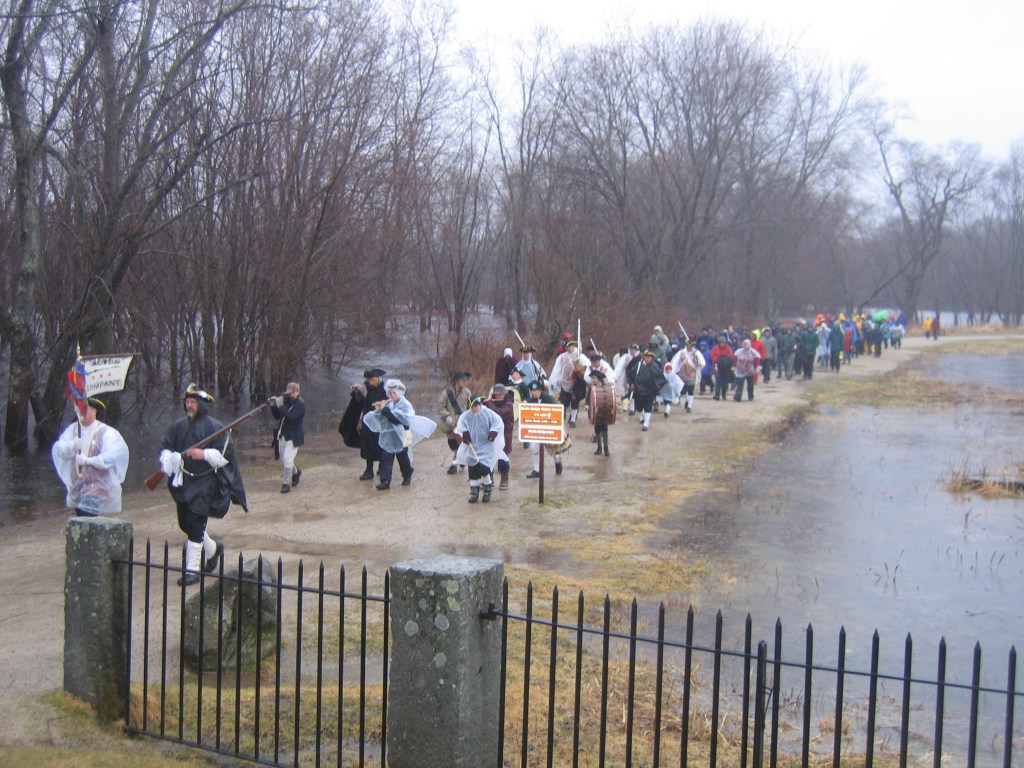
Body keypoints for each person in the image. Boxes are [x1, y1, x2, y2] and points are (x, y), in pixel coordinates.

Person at [159, 385, 247, 586]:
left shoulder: (215, 427)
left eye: (193, 402)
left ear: (201, 405)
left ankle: (192, 570)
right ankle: (213, 550)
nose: (189, 405)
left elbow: (226, 454)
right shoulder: (178, 426)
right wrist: (171, 459)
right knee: (185, 523)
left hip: (205, 483)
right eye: (187, 402)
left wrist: (204, 454)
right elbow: (165, 448)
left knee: (195, 523)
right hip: (183, 482)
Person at [51, 396, 129, 516]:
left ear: (94, 411)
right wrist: (72, 447)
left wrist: (88, 461)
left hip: (98, 484)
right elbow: (59, 450)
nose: (81, 412)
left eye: (85, 409)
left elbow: (112, 456)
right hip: (77, 486)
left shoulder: (106, 432)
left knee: (88, 515)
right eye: (79, 409)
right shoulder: (72, 430)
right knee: (81, 517)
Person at [362, 379, 420, 490]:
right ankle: (385, 480)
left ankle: (407, 475)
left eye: (394, 393)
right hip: (389, 436)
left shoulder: (405, 405)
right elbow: (382, 419)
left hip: (402, 436)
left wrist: (384, 410)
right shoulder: (389, 403)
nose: (392, 395)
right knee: (386, 458)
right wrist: (378, 410)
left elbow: (398, 419)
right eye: (390, 393)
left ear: (400, 392)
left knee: (403, 458)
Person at [455, 395, 507, 503]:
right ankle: (474, 492)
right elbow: (462, 423)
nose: (474, 409)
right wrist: (465, 433)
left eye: (476, 406)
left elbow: (497, 422)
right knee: (473, 470)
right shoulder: (467, 415)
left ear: (480, 405)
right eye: (472, 407)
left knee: (484, 469)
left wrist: (493, 432)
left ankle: (487, 489)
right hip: (472, 446)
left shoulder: (488, 413)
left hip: (486, 446)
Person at [347, 368, 388, 480]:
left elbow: (390, 402)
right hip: (367, 421)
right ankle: (369, 470)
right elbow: (361, 402)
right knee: (367, 445)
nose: (370, 382)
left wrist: (383, 405)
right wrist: (357, 392)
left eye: (372, 379)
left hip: (381, 421)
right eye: (369, 380)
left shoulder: (386, 388)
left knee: (381, 444)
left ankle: (382, 466)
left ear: (378, 378)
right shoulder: (366, 388)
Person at [269, 381, 305, 493]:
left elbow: (291, 417)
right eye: (289, 393)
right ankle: (296, 472)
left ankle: (286, 484)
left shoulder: (301, 405)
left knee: (287, 459)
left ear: (297, 392)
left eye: (292, 392)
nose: (290, 394)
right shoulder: (287, 403)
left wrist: (281, 406)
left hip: (294, 436)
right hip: (282, 434)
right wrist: (273, 405)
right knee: (284, 459)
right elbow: (277, 416)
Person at [524, 380, 565, 477]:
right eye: (532, 391)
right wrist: (524, 406)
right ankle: (536, 470)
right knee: (534, 448)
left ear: (540, 390)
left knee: (552, 448)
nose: (533, 392)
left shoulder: (548, 399)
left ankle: (557, 461)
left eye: (536, 390)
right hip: (535, 429)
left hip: (548, 428)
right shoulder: (529, 402)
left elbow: (558, 411)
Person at [436, 371, 472, 475]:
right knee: (452, 444)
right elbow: (440, 408)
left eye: (465, 380)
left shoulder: (467, 393)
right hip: (450, 423)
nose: (464, 382)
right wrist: (448, 418)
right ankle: (461, 459)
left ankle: (454, 465)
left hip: (462, 423)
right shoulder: (447, 392)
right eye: (462, 380)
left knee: (459, 444)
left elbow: (470, 408)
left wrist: (467, 421)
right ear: (456, 380)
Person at [549, 339, 589, 427]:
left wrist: (581, 369)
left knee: (575, 401)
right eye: (567, 346)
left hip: (576, 382)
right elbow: (557, 369)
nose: (568, 348)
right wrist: (554, 381)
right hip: (565, 382)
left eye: (570, 346)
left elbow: (587, 367)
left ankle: (573, 420)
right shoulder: (562, 357)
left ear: (574, 346)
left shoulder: (580, 356)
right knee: (564, 401)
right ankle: (562, 418)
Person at [484, 383, 515, 490]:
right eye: (496, 394)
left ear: (504, 394)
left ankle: (504, 480)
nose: (498, 396)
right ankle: (489, 480)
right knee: (489, 458)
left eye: (500, 394)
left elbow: (500, 413)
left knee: (503, 459)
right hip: (492, 434)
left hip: (505, 435)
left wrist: (489, 404)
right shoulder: (490, 402)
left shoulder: (509, 403)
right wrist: (484, 403)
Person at [632, 349, 666, 431]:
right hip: (639, 390)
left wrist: (656, 388)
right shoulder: (639, 365)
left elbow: (661, 379)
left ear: (651, 358)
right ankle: (643, 416)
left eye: (649, 357)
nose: (647, 359)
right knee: (640, 407)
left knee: (648, 406)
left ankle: (646, 424)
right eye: (646, 357)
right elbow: (632, 374)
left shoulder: (655, 367)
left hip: (650, 391)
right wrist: (632, 384)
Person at [671, 340, 705, 413]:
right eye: (688, 346)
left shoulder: (696, 353)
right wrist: (673, 371)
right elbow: (675, 362)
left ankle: (689, 405)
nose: (689, 348)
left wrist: (699, 363)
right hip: (682, 374)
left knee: (690, 389)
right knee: (682, 390)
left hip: (692, 374)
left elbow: (702, 363)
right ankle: (685, 400)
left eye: (691, 346)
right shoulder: (681, 353)